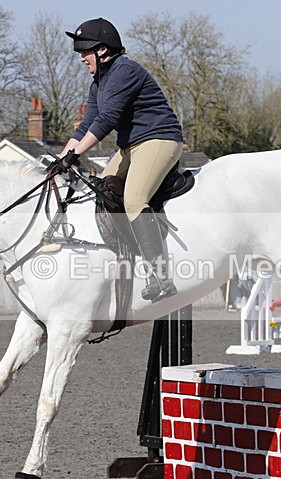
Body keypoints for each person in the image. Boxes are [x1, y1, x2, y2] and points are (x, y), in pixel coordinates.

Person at [58, 17, 184, 303]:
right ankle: (129, 255)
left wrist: (76, 154)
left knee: (134, 198)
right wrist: (62, 158)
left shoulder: (124, 71)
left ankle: (160, 274)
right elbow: (85, 125)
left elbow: (106, 121)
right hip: (131, 145)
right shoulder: (99, 82)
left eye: (84, 51)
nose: (81, 58)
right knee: (103, 191)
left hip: (159, 138)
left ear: (102, 50)